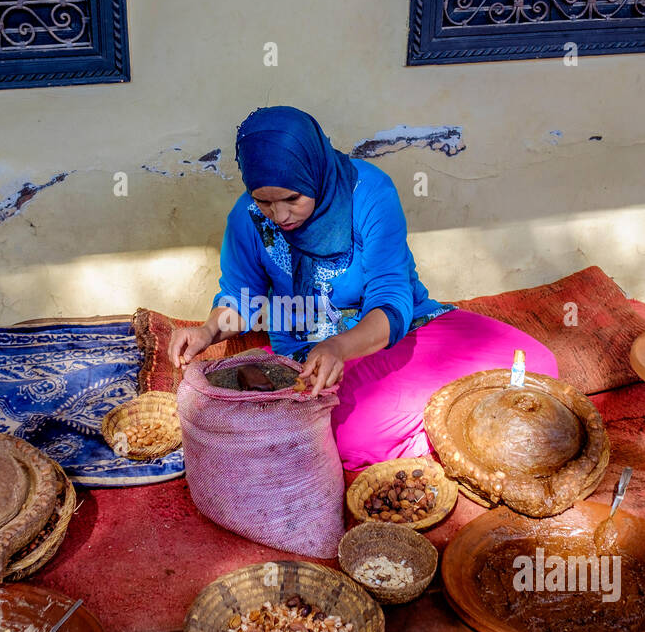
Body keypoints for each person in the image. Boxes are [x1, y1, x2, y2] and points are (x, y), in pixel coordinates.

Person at [169, 106, 558, 470]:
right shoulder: (248, 217)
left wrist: (340, 345)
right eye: (265, 202)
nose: (280, 215)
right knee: (348, 439)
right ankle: (453, 427)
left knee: (536, 364)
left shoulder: (369, 193)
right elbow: (243, 301)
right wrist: (206, 331)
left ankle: (439, 424)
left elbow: (390, 299)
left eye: (292, 198)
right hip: (309, 352)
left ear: (314, 169)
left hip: (390, 332)